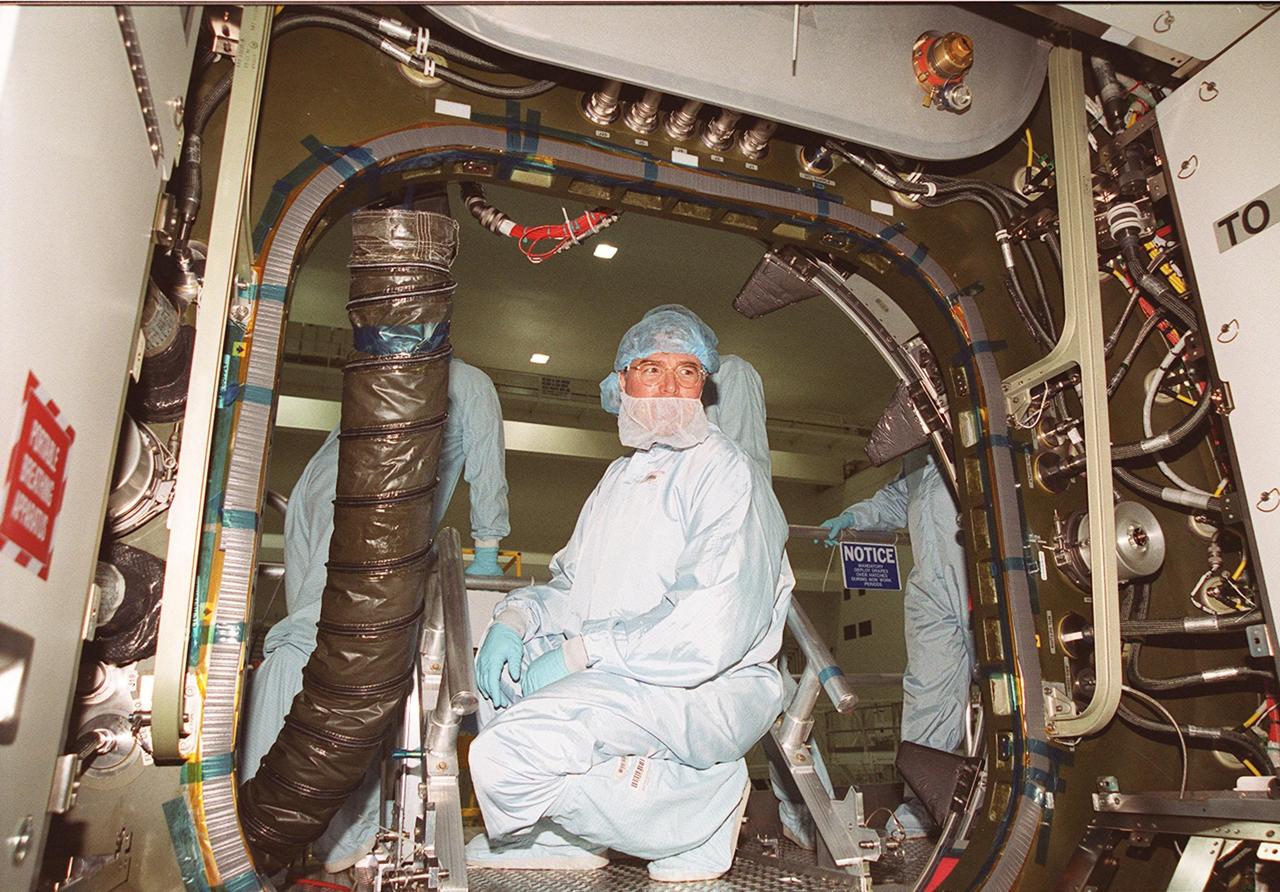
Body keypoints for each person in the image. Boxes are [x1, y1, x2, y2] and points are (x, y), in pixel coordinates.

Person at [465, 307, 793, 882]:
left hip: (701, 688)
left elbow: (709, 626)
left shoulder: (725, 473)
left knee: (504, 756)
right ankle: (566, 834)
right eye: (651, 368)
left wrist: (582, 653)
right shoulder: (620, 479)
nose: (670, 387)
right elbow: (571, 585)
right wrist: (514, 620)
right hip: (622, 674)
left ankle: (702, 808)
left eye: (687, 371)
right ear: (621, 383)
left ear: (705, 386)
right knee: (497, 690)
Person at [239, 356, 511, 873]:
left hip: (320, 501)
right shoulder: (472, 381)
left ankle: (274, 817)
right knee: (348, 660)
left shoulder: (381, 372)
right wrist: (487, 554)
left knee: (314, 650)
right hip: (372, 519)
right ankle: (323, 832)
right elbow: (486, 468)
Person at [635, 305, 833, 851]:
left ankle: (812, 824)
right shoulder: (679, 452)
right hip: (712, 575)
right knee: (754, 703)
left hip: (741, 574)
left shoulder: (733, 386)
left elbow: (743, 484)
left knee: (764, 699)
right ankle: (795, 824)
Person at [818, 447, 974, 839]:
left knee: (1011, 691)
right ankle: (924, 807)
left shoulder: (983, 414)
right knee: (927, 690)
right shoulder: (922, 444)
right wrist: (857, 516)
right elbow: (902, 495)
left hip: (982, 572)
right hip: (934, 588)